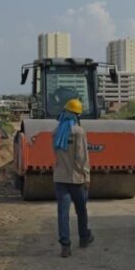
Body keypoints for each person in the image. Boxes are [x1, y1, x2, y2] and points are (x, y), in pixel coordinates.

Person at [53, 98, 93, 257]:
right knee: (81, 210)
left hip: (60, 178)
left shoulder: (56, 132)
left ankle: (65, 246)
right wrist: (87, 176)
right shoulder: (79, 132)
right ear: (77, 115)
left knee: (63, 213)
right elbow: (82, 157)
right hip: (76, 178)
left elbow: (56, 155)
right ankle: (84, 238)